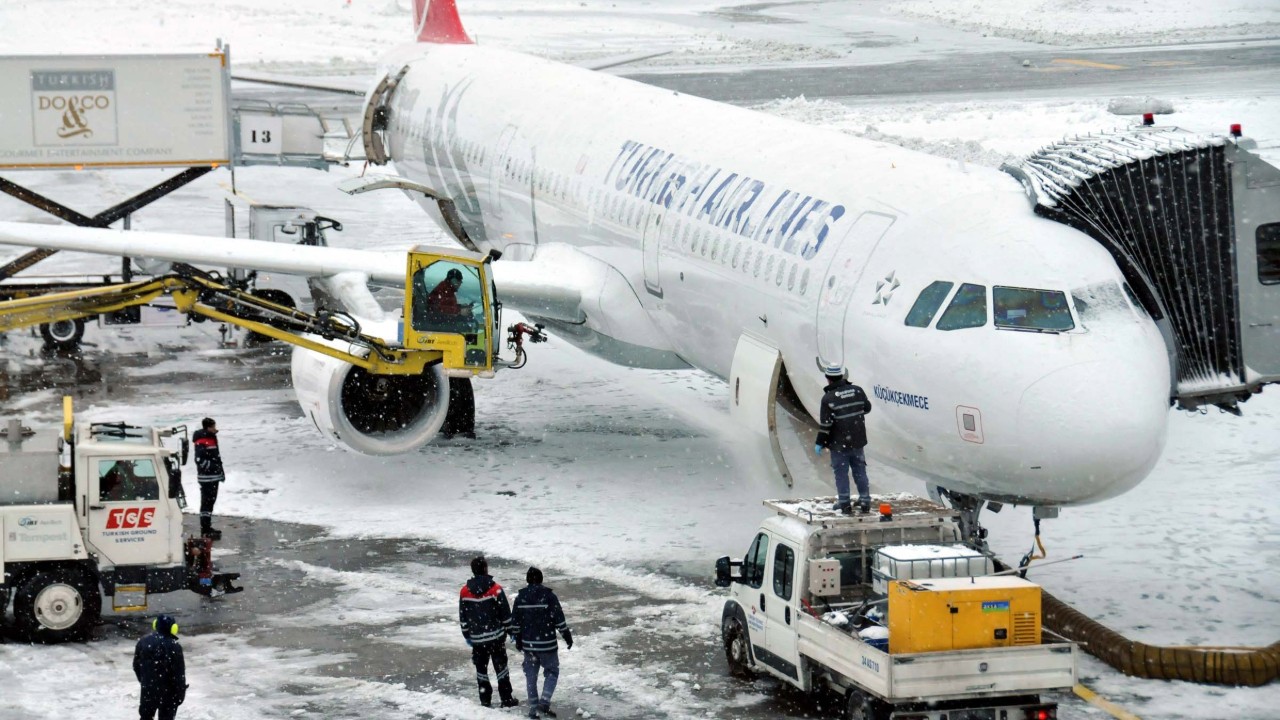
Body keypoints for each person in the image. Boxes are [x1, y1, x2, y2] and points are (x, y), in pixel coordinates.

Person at [510, 566, 573, 719]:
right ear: (541, 579)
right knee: (552, 672)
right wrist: (566, 636)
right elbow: (559, 619)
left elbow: (515, 623)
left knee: (531, 676)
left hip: (529, 644)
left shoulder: (521, 597)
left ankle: (533, 709)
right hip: (547, 644)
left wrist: (518, 639)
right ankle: (543, 703)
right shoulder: (549, 596)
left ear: (527, 580)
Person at [459, 556, 519, 709]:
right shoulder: (495, 589)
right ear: (485, 569)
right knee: (501, 668)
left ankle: (485, 700)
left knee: (481, 671)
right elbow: (505, 614)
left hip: (478, 640)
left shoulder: (465, 591)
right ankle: (506, 699)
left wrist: (467, 635)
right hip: (496, 638)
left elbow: (463, 617)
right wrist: (511, 630)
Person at [814, 363, 873, 514]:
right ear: (842, 376)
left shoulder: (828, 399)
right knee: (860, 470)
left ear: (828, 379)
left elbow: (825, 425)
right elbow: (867, 408)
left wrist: (819, 442)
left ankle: (845, 504)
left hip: (839, 444)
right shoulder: (858, 390)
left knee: (841, 474)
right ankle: (865, 501)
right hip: (858, 441)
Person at [133, 614, 187, 720]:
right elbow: (179, 673)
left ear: (155, 625)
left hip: (148, 690)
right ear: (173, 628)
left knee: (146, 716)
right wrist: (180, 693)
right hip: (169, 693)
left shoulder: (143, 642)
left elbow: (136, 666)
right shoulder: (175, 647)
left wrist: (145, 681)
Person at [192, 418, 224, 539]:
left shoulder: (211, 439)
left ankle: (207, 527)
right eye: (213, 426)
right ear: (208, 427)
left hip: (213, 477)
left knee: (210, 502)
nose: (215, 428)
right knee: (206, 503)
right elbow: (199, 460)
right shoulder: (203, 440)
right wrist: (212, 468)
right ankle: (205, 529)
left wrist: (219, 471)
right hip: (207, 478)